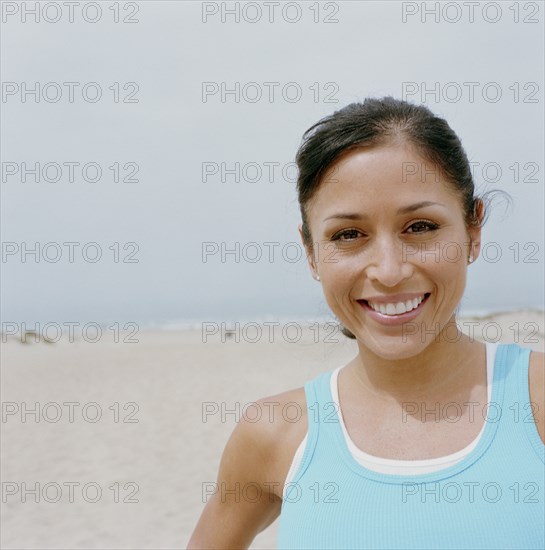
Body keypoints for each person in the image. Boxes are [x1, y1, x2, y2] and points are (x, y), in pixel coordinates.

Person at [187, 97, 544, 549]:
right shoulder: (276, 432)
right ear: (311, 252)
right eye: (348, 235)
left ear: (473, 230)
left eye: (420, 227)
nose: (389, 271)